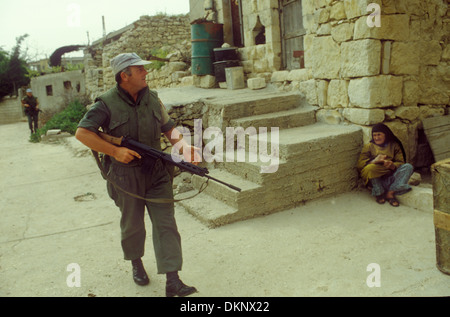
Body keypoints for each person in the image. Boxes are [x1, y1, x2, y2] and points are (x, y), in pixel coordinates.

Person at [75, 53, 200, 297]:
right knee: (132, 224)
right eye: (140, 69)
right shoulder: (105, 104)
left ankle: (172, 279)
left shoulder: (152, 98)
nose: (146, 72)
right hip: (124, 175)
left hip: (156, 172)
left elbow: (168, 128)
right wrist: (114, 151)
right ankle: (136, 263)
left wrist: (183, 147)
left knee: (166, 224)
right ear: (125, 75)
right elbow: (82, 133)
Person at [357, 123, 414, 207]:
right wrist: (375, 161)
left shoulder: (394, 145)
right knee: (370, 168)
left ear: (386, 135)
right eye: (374, 135)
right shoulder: (369, 146)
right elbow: (360, 165)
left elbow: (401, 162)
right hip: (376, 180)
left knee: (408, 167)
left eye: (379, 134)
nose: (376, 138)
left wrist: (392, 165)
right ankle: (379, 192)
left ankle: (390, 192)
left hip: (391, 178)